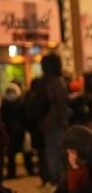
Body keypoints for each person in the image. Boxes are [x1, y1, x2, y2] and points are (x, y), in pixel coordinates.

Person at [27, 53, 69, 185]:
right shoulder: (57, 82)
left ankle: (49, 176)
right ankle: (57, 178)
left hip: (42, 121)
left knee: (47, 151)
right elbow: (61, 104)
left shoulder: (41, 81)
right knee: (56, 150)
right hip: (55, 122)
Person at [2, 83, 35, 179]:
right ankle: (29, 169)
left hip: (11, 131)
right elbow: (26, 116)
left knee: (12, 153)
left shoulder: (6, 103)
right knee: (25, 152)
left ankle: (11, 173)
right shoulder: (21, 102)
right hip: (20, 130)